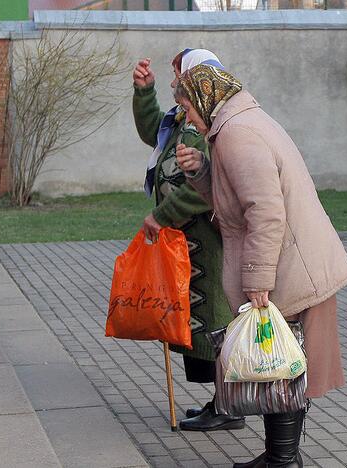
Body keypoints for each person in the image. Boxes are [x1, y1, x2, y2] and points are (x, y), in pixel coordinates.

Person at [173, 64, 347, 468]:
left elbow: (266, 211)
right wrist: (201, 172)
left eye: (186, 106)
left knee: (282, 363)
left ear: (206, 98)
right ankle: (280, 457)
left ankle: (283, 460)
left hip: (289, 268)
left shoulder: (237, 134)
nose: (186, 116)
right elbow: (233, 200)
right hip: (292, 261)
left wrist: (257, 279)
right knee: (277, 362)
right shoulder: (236, 124)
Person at [131, 49, 244, 431]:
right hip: (186, 241)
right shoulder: (184, 114)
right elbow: (154, 133)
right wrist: (143, 93)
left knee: (216, 320)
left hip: (208, 240)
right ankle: (221, 402)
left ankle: (230, 407)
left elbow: (203, 188)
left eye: (177, 73)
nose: (172, 80)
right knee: (201, 323)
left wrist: (161, 215)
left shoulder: (210, 123)